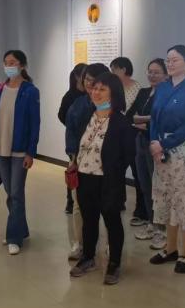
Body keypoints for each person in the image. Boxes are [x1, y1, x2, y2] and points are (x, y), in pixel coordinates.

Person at [70, 72, 135, 285]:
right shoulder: (87, 116)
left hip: (108, 180)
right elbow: (79, 144)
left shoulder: (121, 122)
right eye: (94, 88)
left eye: (102, 89)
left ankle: (114, 263)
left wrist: (114, 171)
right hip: (84, 177)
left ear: (113, 93)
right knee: (89, 220)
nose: (96, 92)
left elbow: (128, 153)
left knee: (112, 221)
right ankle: (88, 257)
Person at [149, 44, 185, 273]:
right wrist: (154, 142)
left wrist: (164, 144)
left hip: (180, 149)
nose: (170, 64)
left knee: (183, 200)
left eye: (175, 60)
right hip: (159, 148)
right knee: (166, 197)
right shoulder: (162, 88)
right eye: (168, 60)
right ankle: (170, 248)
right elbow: (153, 118)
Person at [0, 50, 41, 256]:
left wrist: (31, 152)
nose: (9, 66)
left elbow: (35, 123)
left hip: (20, 150)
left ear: (22, 65)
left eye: (13, 62)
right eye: (6, 62)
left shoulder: (30, 91)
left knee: (16, 193)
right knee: (11, 193)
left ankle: (13, 237)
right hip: (0, 149)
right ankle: (21, 229)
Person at [129, 59, 168, 245]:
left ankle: (162, 228)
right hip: (140, 141)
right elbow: (131, 115)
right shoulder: (143, 92)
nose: (152, 75)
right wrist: (146, 120)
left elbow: (161, 119)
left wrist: (143, 120)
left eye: (156, 72)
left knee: (158, 187)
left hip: (156, 144)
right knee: (145, 185)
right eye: (150, 71)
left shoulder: (167, 93)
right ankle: (151, 223)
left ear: (165, 75)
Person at [59, 63, 88, 258]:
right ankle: (80, 243)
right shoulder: (74, 102)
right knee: (78, 203)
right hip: (78, 155)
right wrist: (72, 155)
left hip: (100, 161)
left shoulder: (106, 105)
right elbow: (68, 124)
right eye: (87, 80)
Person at [112, 56, 145, 222]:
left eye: (114, 69)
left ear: (124, 69)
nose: (112, 72)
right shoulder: (114, 87)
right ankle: (119, 202)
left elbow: (136, 112)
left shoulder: (137, 87)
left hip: (133, 134)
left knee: (138, 172)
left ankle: (141, 208)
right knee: (117, 170)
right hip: (117, 133)